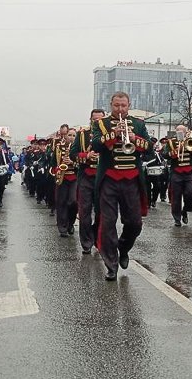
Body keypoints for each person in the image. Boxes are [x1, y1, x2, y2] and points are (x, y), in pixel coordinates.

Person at [92, 92, 150, 281]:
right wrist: (113, 134)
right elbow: (95, 145)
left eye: (123, 106)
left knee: (135, 223)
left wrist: (134, 138)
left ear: (129, 105)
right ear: (111, 105)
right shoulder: (101, 124)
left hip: (131, 180)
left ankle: (123, 248)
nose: (120, 110)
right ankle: (111, 265)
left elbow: (148, 148)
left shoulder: (139, 124)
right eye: (116, 106)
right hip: (109, 179)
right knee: (108, 223)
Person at [72, 109, 105, 254]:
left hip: (103, 177)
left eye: (100, 119)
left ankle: (97, 238)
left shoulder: (109, 134)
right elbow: (73, 154)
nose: (97, 122)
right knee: (84, 211)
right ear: (90, 120)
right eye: (94, 119)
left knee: (101, 211)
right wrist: (86, 155)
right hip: (85, 176)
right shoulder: (82, 134)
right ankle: (86, 242)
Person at [164, 125, 192, 227]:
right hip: (176, 172)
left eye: (182, 131)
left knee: (191, 192)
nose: (180, 132)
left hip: (189, 172)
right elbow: (165, 155)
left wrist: (188, 146)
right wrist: (176, 151)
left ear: (186, 132)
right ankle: (177, 218)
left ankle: (185, 210)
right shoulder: (171, 142)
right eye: (178, 131)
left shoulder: (190, 141)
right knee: (176, 197)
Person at [50, 124, 79, 237]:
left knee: (73, 202)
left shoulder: (78, 148)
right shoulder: (58, 147)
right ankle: (62, 227)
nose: (71, 137)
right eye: (69, 135)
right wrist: (56, 170)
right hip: (62, 177)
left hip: (74, 177)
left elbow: (82, 164)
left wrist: (72, 162)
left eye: (73, 135)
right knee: (61, 202)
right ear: (65, 136)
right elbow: (53, 162)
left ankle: (70, 223)